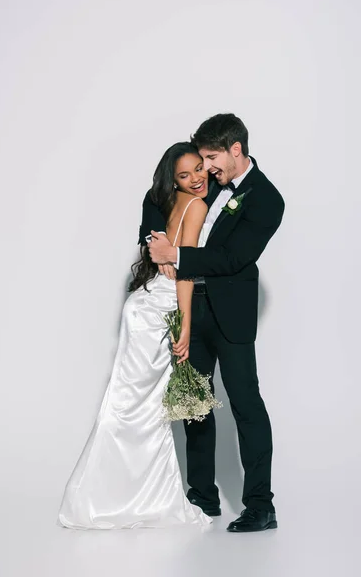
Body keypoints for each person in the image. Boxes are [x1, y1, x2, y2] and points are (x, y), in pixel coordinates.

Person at [58, 142, 212, 529]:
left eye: (199, 169)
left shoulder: (169, 200)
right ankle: (133, 497)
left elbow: (163, 251)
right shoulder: (197, 207)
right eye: (185, 175)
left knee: (128, 402)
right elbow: (186, 271)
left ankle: (103, 493)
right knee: (142, 409)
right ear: (173, 179)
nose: (196, 179)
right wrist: (187, 326)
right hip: (159, 310)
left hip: (140, 306)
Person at [148, 113, 285, 532]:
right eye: (203, 158)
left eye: (212, 157)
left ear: (236, 149)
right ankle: (201, 496)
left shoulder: (266, 199)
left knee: (246, 406)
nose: (206, 167)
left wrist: (177, 256)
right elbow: (160, 200)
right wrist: (155, 239)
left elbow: (234, 258)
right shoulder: (210, 184)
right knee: (195, 405)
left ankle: (261, 506)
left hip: (232, 315)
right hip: (191, 305)